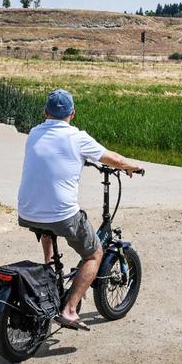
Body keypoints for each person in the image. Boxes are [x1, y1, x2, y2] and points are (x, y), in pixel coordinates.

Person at [16, 89, 144, 330]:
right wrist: (133, 166)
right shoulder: (77, 138)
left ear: (45, 112)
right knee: (94, 253)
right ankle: (69, 309)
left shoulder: (34, 132)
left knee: (48, 226)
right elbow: (113, 159)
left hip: (27, 211)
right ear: (72, 113)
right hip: (60, 214)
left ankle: (50, 271)